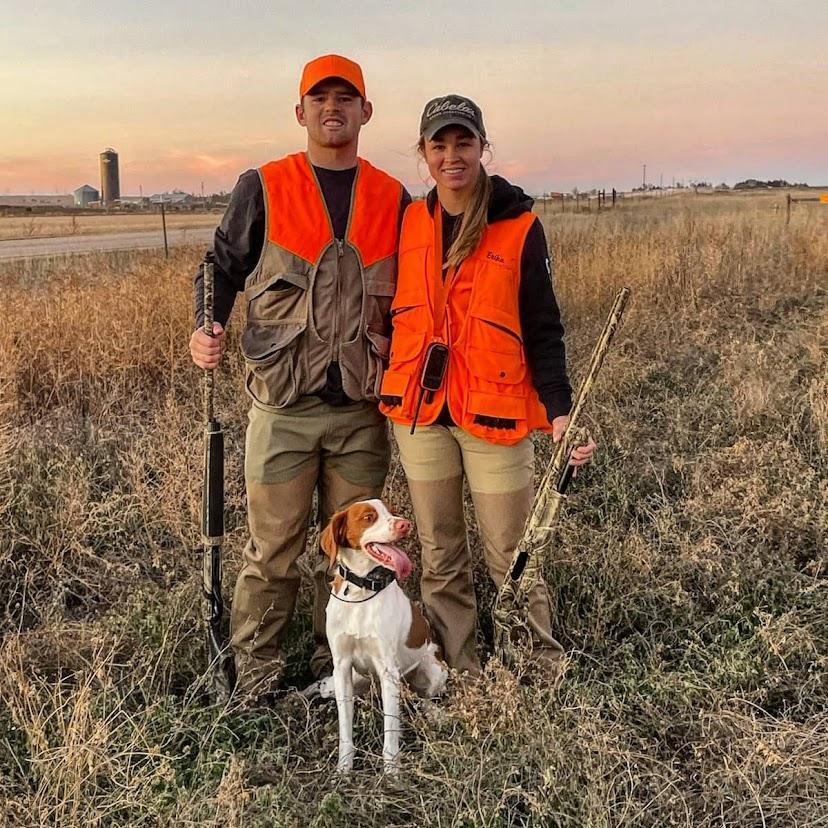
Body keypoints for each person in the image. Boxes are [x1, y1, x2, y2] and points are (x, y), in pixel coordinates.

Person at [190, 55, 410, 697]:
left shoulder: (392, 196)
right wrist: (205, 325)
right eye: (320, 98)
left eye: (347, 98)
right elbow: (219, 267)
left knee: (349, 555)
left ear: (366, 112)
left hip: (360, 412)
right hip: (283, 408)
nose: (332, 108)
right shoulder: (264, 184)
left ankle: (334, 671)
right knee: (273, 550)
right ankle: (256, 679)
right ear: (300, 111)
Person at [379, 95, 596, 677]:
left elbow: (544, 327)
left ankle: (536, 666)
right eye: (439, 145)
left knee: (513, 555)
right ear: (424, 154)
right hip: (421, 416)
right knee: (441, 553)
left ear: (482, 148)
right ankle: (460, 667)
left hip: (496, 417)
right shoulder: (410, 222)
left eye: (463, 143)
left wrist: (559, 410)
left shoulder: (520, 226)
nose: (451, 155)